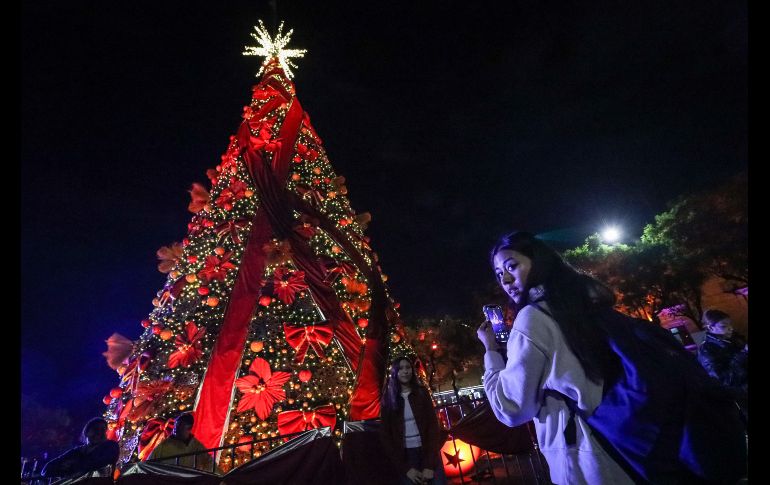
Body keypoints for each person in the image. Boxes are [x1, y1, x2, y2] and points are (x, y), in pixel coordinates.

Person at [477, 231, 634, 485]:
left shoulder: (533, 319)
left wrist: (491, 353)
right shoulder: (586, 303)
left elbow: (512, 408)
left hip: (585, 459)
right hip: (627, 442)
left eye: (511, 266)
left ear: (538, 261)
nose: (505, 279)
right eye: (498, 274)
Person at [379, 356, 447, 484]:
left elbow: (433, 427)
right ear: (395, 373)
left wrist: (429, 464)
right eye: (401, 368)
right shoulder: (388, 399)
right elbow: (386, 436)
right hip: (406, 456)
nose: (405, 371)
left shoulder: (422, 393)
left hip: (427, 451)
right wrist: (405, 469)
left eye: (408, 367)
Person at [698, 309, 748, 420]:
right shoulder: (707, 351)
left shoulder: (734, 339)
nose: (731, 328)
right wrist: (743, 354)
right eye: (724, 326)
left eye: (730, 324)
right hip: (742, 400)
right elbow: (724, 380)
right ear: (711, 328)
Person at [41, 417, 120, 479]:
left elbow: (95, 463)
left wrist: (70, 466)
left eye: (103, 430)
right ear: (86, 432)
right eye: (95, 429)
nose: (99, 432)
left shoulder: (111, 446)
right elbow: (46, 470)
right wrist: (65, 471)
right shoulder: (77, 451)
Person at [147, 412, 214, 471]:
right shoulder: (164, 445)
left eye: (180, 428)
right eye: (175, 427)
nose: (175, 431)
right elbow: (148, 464)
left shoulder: (197, 446)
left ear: (189, 429)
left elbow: (210, 464)